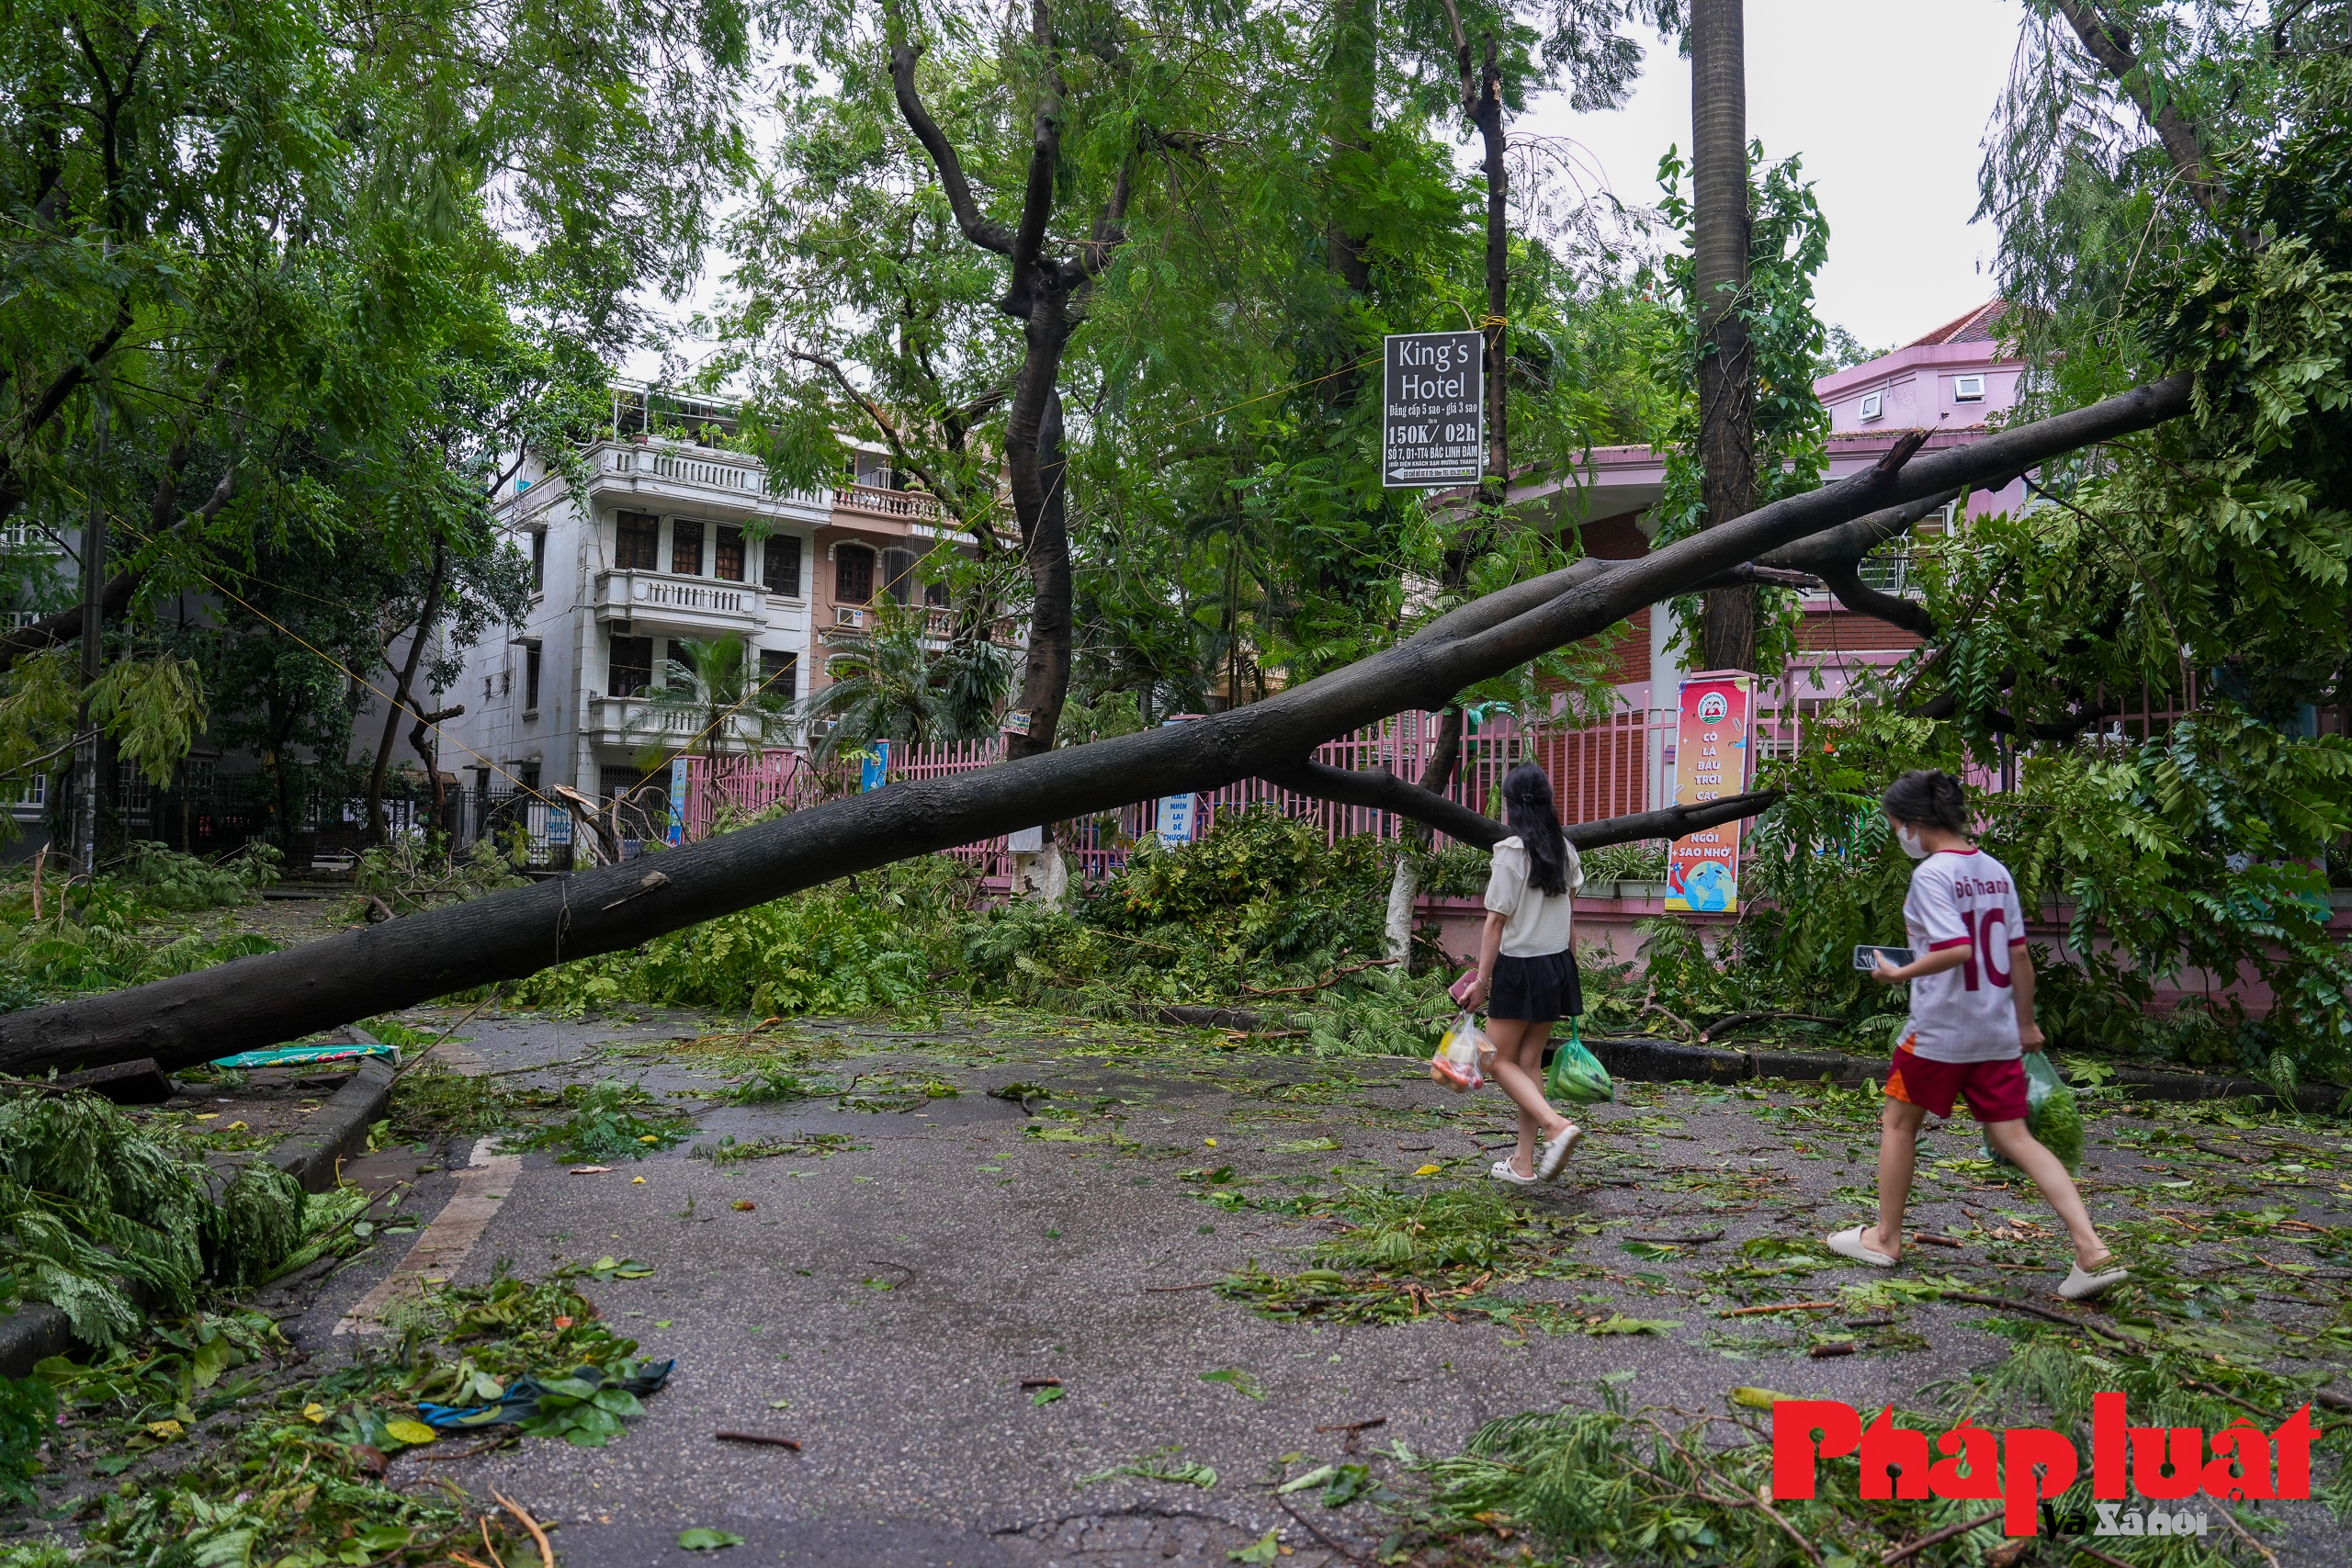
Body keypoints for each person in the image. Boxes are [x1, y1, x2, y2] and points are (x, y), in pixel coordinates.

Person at [1829, 770, 2130, 1301]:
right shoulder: (1994, 871)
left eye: (1896, 824)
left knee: (1898, 1125)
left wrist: (1897, 973)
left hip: (1941, 1030)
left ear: (1916, 824)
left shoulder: (1931, 875)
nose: (1898, 834)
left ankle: (1885, 1238)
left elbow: (1957, 947)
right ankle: (2092, 1251)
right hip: (1995, 1032)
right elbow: (2017, 954)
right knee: (2017, 1138)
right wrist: (2026, 1022)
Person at [1463, 761, 1586, 1185]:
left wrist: (1481, 981)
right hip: (1556, 964)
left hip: (1520, 968)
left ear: (1511, 807)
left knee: (1495, 1060)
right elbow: (1569, 915)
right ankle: (1524, 1162)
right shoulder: (1565, 851)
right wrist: (1569, 969)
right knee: (1529, 1061)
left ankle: (1556, 1125)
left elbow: (1496, 923)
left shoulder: (1511, 855)